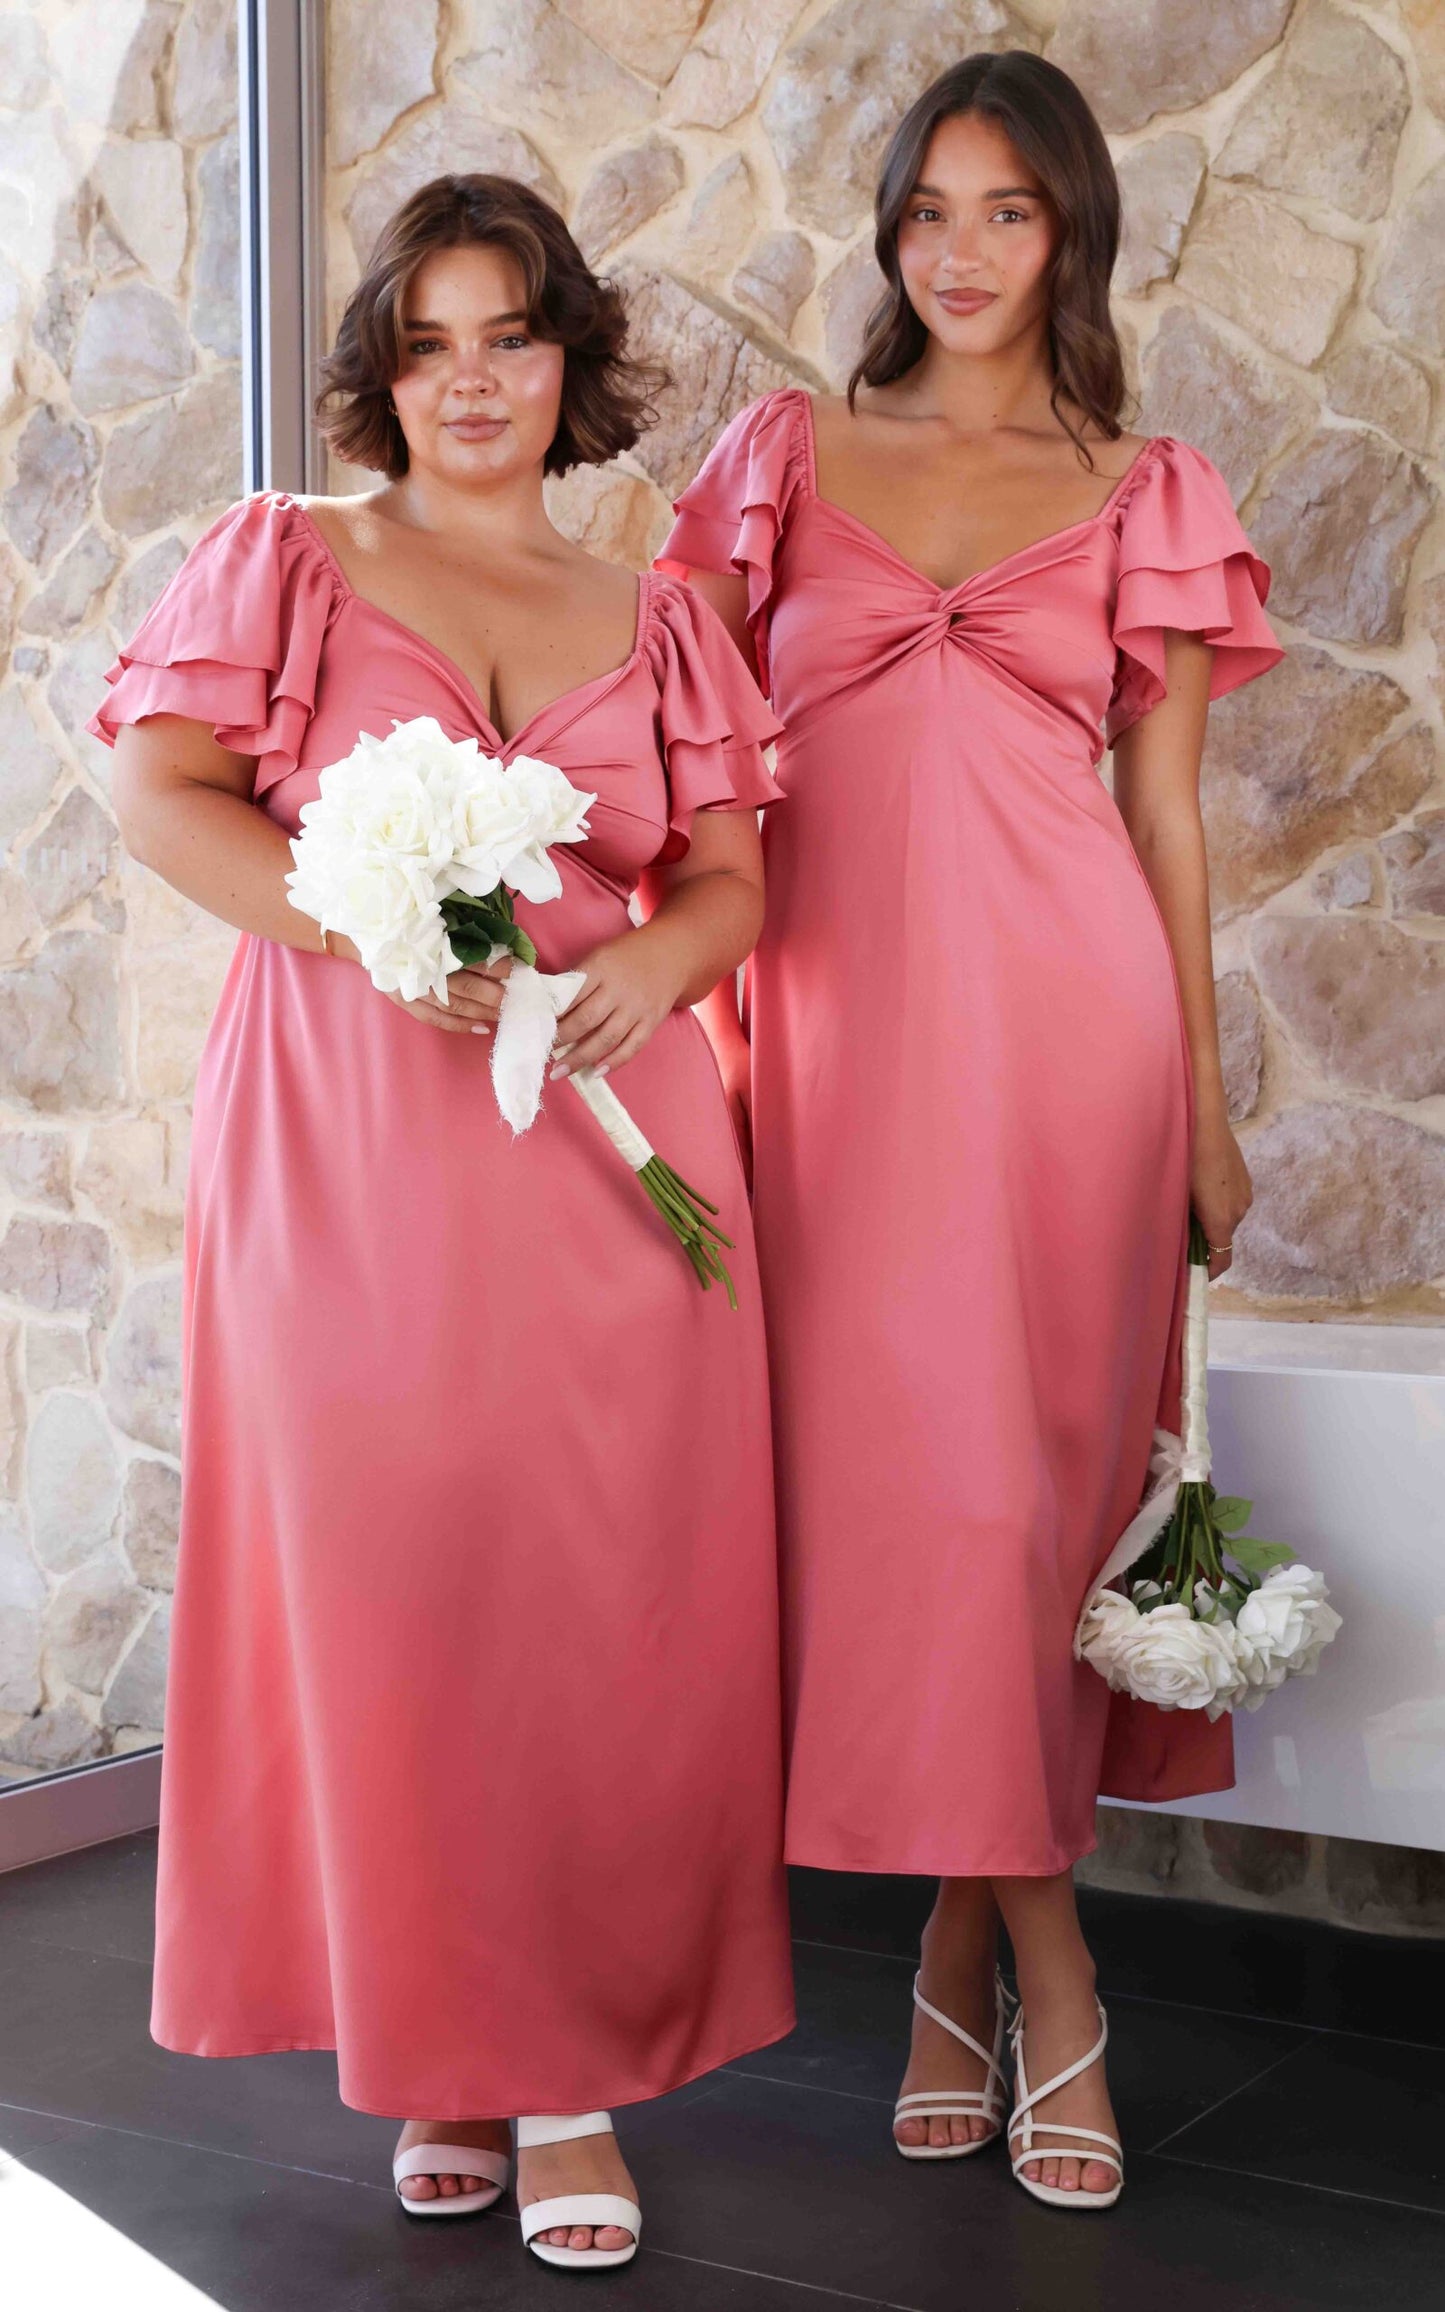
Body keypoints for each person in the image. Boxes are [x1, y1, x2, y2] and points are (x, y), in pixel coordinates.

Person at [90, 172, 795, 2273]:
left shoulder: (661, 615)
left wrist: (654, 966)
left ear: (569, 361)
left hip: (608, 1145)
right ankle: (439, 2046)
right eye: (427, 345)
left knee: (592, 1597)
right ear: (380, 375)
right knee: (393, 1585)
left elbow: (731, 881)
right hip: (351, 1143)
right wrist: (369, 931)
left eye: (510, 337)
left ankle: (564, 2070)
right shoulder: (288, 558)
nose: (470, 382)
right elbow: (157, 791)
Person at [658, 51, 1281, 2212]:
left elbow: (1166, 819)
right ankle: (1012, 1948)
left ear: (1071, 231)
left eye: (1009, 211)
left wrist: (1206, 1102)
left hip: (1070, 1051)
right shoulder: (781, 458)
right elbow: (685, 761)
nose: (963, 250)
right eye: (931, 207)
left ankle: (993, 1951)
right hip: (832, 1053)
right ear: (890, 230)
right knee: (913, 1508)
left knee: (1023, 1508)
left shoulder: (1142, 485)